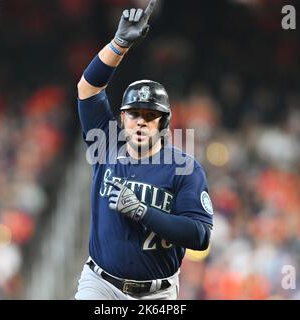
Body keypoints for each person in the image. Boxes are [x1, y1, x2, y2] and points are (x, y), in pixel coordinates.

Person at [75, 0, 214, 300]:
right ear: (122, 118)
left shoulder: (184, 168)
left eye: (150, 115)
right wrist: (119, 44)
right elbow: (87, 88)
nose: (141, 121)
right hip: (100, 284)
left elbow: (200, 236)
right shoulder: (106, 145)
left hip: (157, 294)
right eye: (134, 113)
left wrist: (143, 211)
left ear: (163, 122)